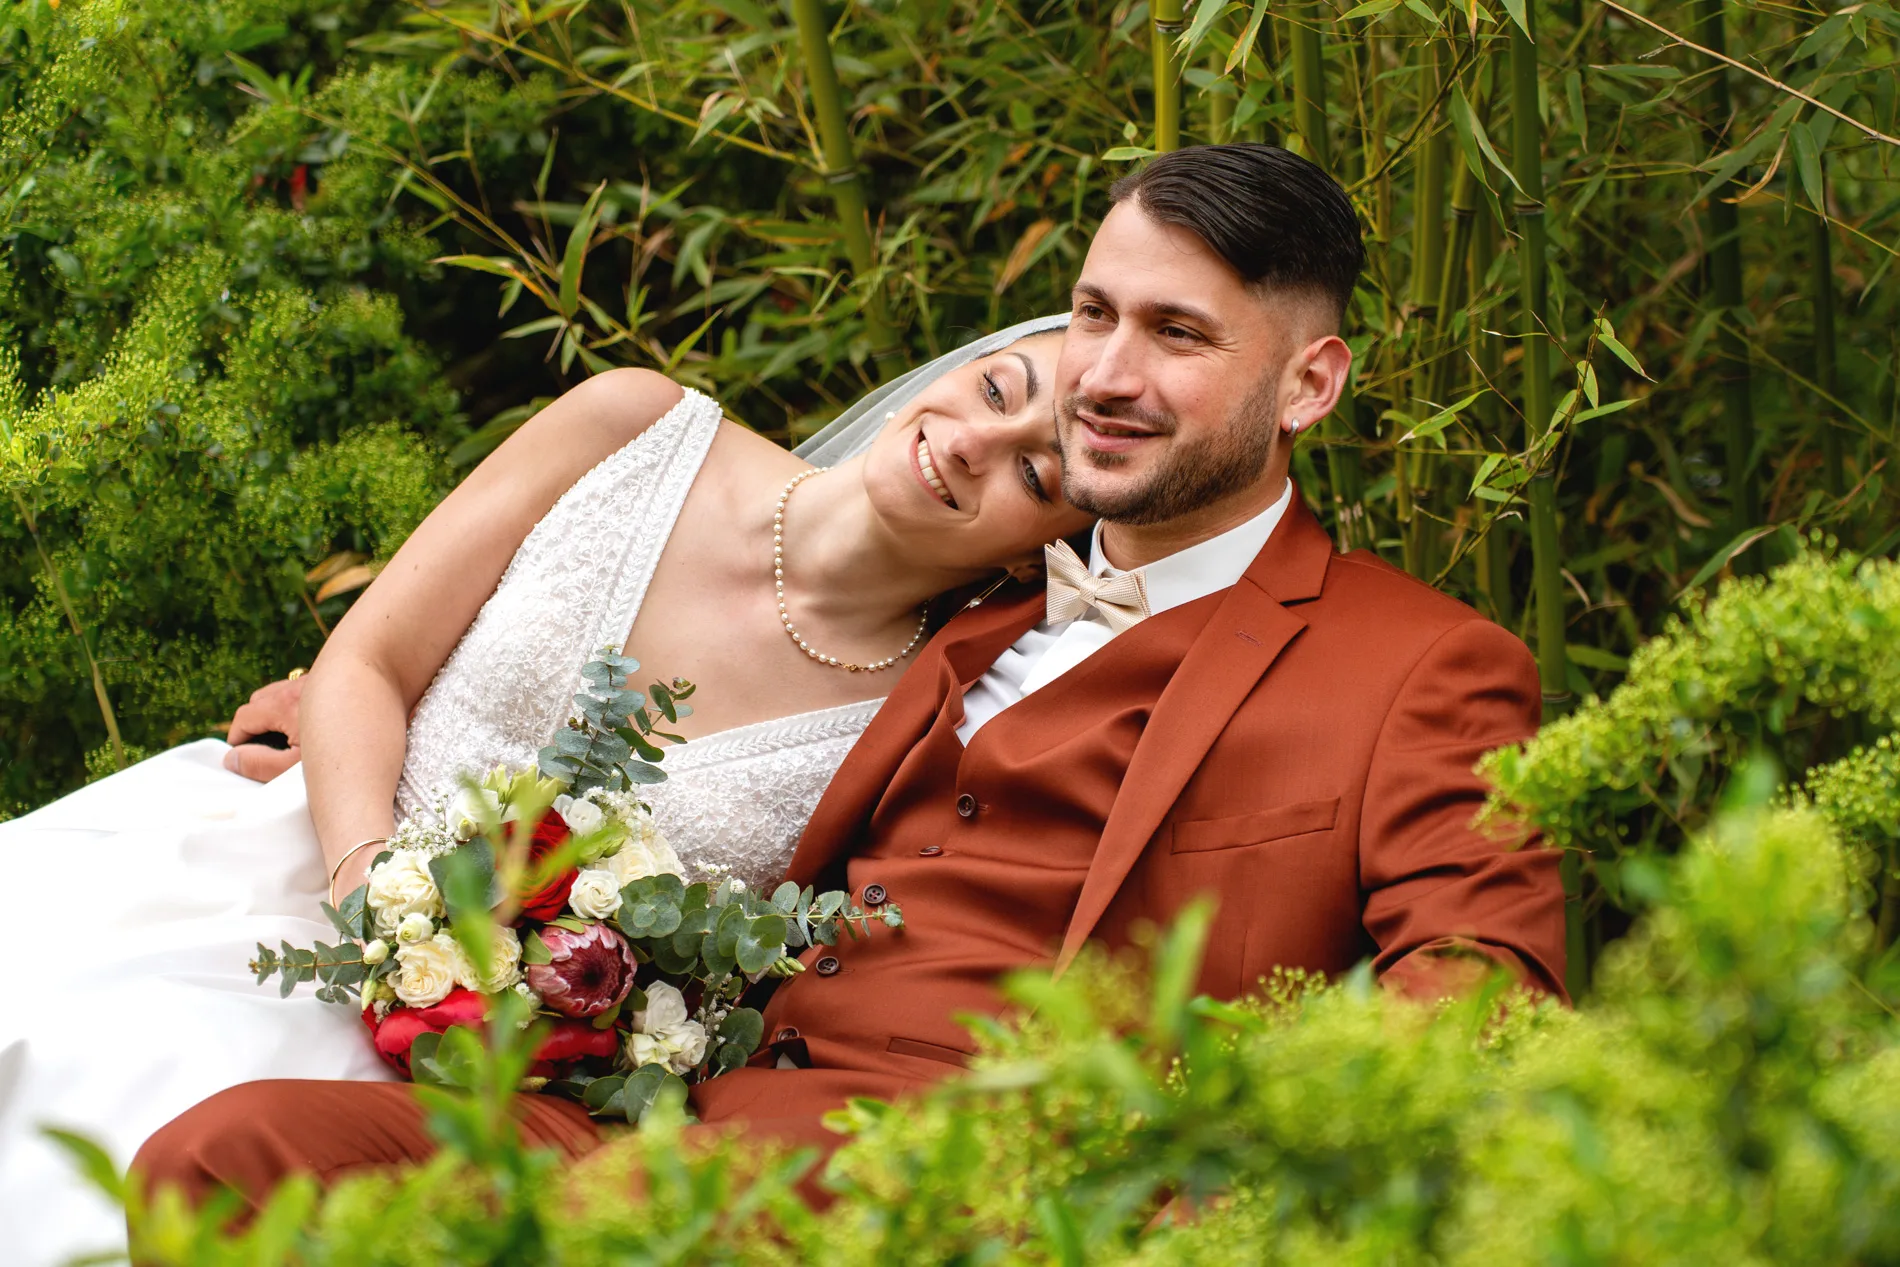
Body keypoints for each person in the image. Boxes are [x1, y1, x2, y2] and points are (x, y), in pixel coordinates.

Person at [134, 144, 1567, 1216]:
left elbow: (1485, 982)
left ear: (1308, 385)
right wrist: (346, 714)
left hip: (954, 1188)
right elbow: (722, 671)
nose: (1104, 375)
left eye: (1178, 337)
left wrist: (1197, 1180)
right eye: (1093, 312)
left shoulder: (1420, 663)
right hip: (671, 1138)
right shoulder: (973, 594)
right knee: (224, 1149)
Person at [0, 319, 1087, 1266]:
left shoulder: (933, 711)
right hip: (295, 862)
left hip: (490, 1063)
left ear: (1045, 547)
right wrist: (368, 884)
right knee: (76, 1038)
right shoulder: (637, 422)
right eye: (999, 390)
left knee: (209, 1147)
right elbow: (368, 659)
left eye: (1035, 477)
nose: (979, 444)